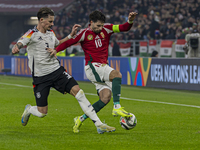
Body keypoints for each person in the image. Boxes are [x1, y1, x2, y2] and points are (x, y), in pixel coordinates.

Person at [11, 7, 115, 134]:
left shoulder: (50, 33)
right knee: (42, 112)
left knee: (79, 93)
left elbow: (57, 43)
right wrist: (17, 47)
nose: (52, 24)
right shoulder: (31, 33)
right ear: (41, 20)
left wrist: (70, 36)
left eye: (52, 21)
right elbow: (21, 42)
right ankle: (29, 109)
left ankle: (99, 124)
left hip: (57, 71)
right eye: (50, 22)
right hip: (41, 77)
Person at [47, 10, 137, 133]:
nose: (100, 28)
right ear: (91, 23)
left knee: (105, 98)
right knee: (117, 75)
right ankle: (117, 107)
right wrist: (56, 50)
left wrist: (130, 20)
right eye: (98, 26)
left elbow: (124, 27)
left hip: (101, 67)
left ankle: (80, 119)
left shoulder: (108, 28)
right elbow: (69, 42)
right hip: (93, 66)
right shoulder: (84, 33)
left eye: (101, 25)